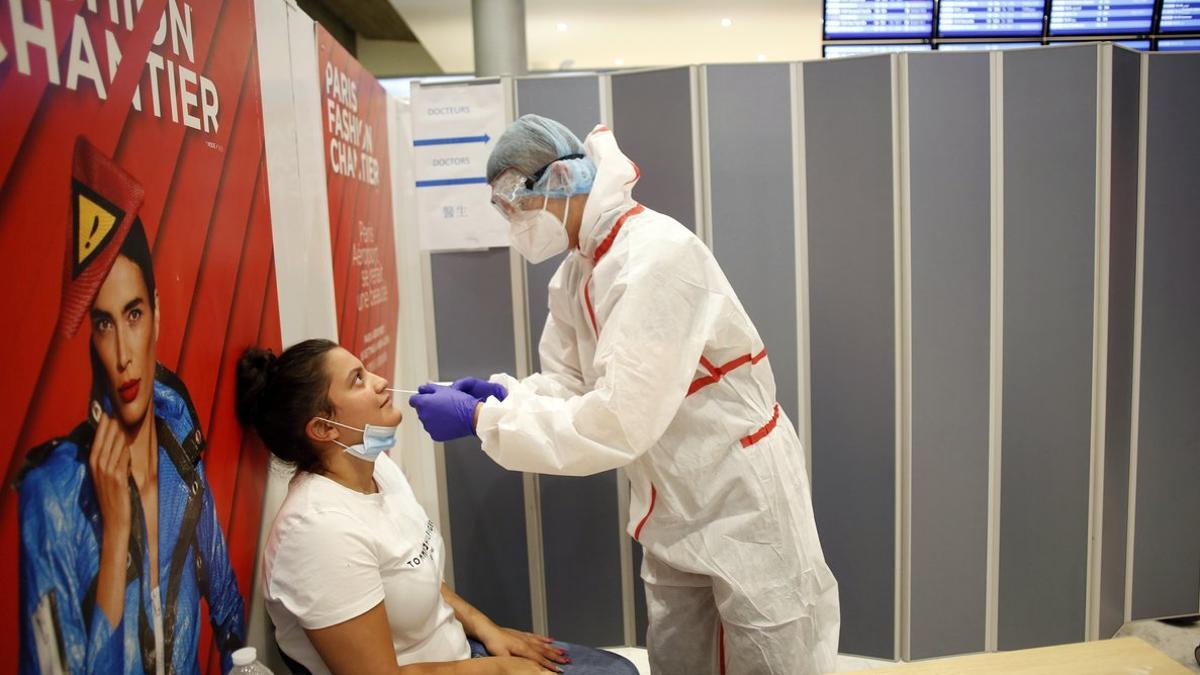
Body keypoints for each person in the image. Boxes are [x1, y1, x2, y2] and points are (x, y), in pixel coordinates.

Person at [408, 115, 841, 675]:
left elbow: (616, 418)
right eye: (501, 205)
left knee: (774, 652)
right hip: (671, 497)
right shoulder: (576, 273)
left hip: (738, 492)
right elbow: (570, 386)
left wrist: (483, 423)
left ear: (560, 178)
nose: (512, 218)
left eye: (515, 197)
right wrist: (501, 397)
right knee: (681, 656)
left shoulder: (654, 259)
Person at [235, 339, 639, 675]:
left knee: (620, 670)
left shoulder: (378, 470)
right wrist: (498, 670)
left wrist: (488, 629)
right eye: (358, 380)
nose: (380, 382)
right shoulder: (318, 531)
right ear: (324, 428)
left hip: (461, 655)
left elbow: (413, 571)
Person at [19, 138, 246, 674]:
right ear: (91, 341)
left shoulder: (179, 447)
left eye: (134, 314)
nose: (123, 353)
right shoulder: (51, 497)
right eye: (103, 324)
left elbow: (227, 600)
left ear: (157, 315)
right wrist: (117, 532)